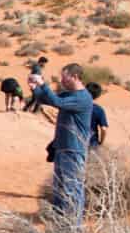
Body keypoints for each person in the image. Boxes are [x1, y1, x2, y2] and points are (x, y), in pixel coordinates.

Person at [34, 63, 95, 217]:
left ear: (75, 77)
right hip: (63, 148)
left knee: (72, 188)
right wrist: (35, 88)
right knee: (59, 189)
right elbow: (48, 99)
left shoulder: (82, 97)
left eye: (64, 77)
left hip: (74, 149)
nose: (61, 80)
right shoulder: (70, 95)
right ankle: (60, 224)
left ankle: (73, 227)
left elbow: (57, 102)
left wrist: (43, 84)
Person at [85, 82, 109, 147]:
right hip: (91, 143)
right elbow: (104, 129)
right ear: (98, 96)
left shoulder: (76, 105)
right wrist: (101, 142)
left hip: (74, 142)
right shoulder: (99, 110)